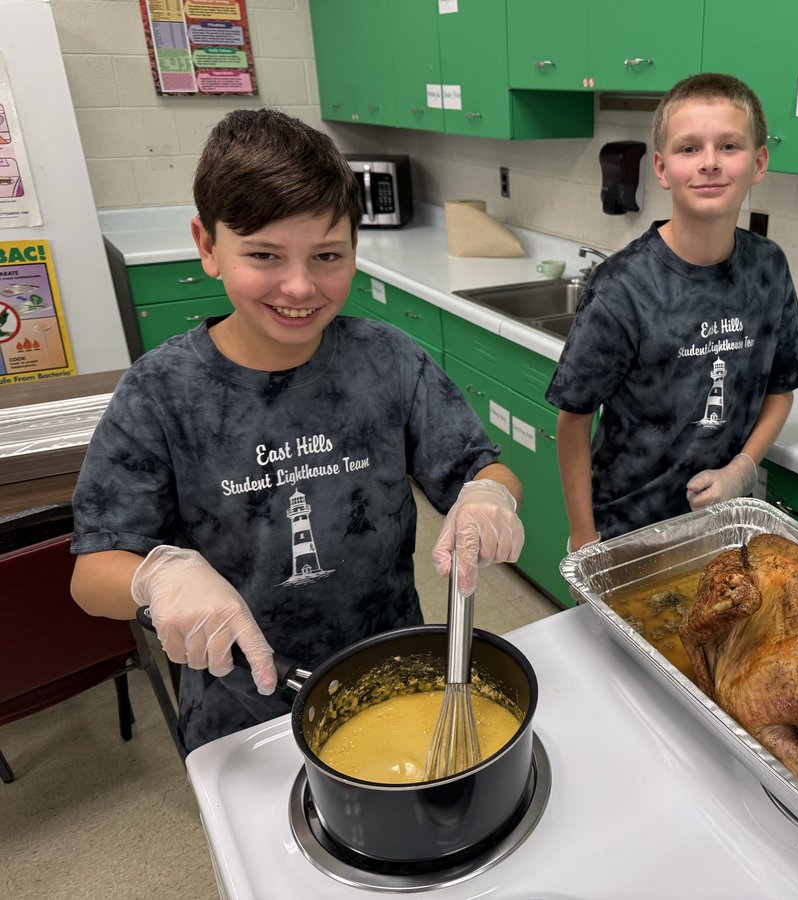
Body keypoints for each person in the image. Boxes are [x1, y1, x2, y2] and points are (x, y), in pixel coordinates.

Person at [70, 108, 524, 753]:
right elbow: (93, 576)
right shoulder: (160, 393)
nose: (300, 286)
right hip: (241, 708)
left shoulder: (388, 361)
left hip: (394, 669)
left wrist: (490, 496)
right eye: (263, 254)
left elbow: (481, 467)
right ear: (207, 246)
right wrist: (156, 577)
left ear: (355, 247)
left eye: (327, 256)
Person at [546, 73, 798, 549]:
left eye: (729, 146)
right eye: (689, 149)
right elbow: (574, 420)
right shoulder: (621, 287)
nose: (709, 162)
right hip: (627, 531)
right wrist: (584, 541)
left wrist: (741, 469)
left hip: (722, 527)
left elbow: (781, 389)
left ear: (759, 162)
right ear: (662, 168)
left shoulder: (768, 268)